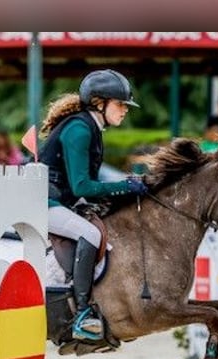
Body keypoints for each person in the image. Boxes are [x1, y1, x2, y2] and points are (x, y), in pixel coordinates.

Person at [40, 69, 147, 342]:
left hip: (59, 200)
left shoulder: (91, 127)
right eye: (121, 104)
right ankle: (82, 313)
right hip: (42, 202)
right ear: (100, 102)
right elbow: (82, 186)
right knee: (91, 234)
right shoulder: (79, 129)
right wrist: (126, 186)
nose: (125, 111)